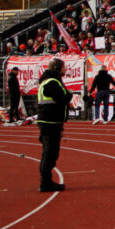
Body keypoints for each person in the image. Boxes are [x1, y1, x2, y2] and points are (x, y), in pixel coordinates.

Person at [35, 58, 70, 192]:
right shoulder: (52, 82)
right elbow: (62, 98)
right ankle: (46, 182)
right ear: (57, 68)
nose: (65, 70)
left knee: (49, 152)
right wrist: (69, 95)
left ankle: (47, 181)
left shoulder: (47, 81)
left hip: (49, 121)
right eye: (63, 68)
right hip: (50, 122)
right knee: (50, 153)